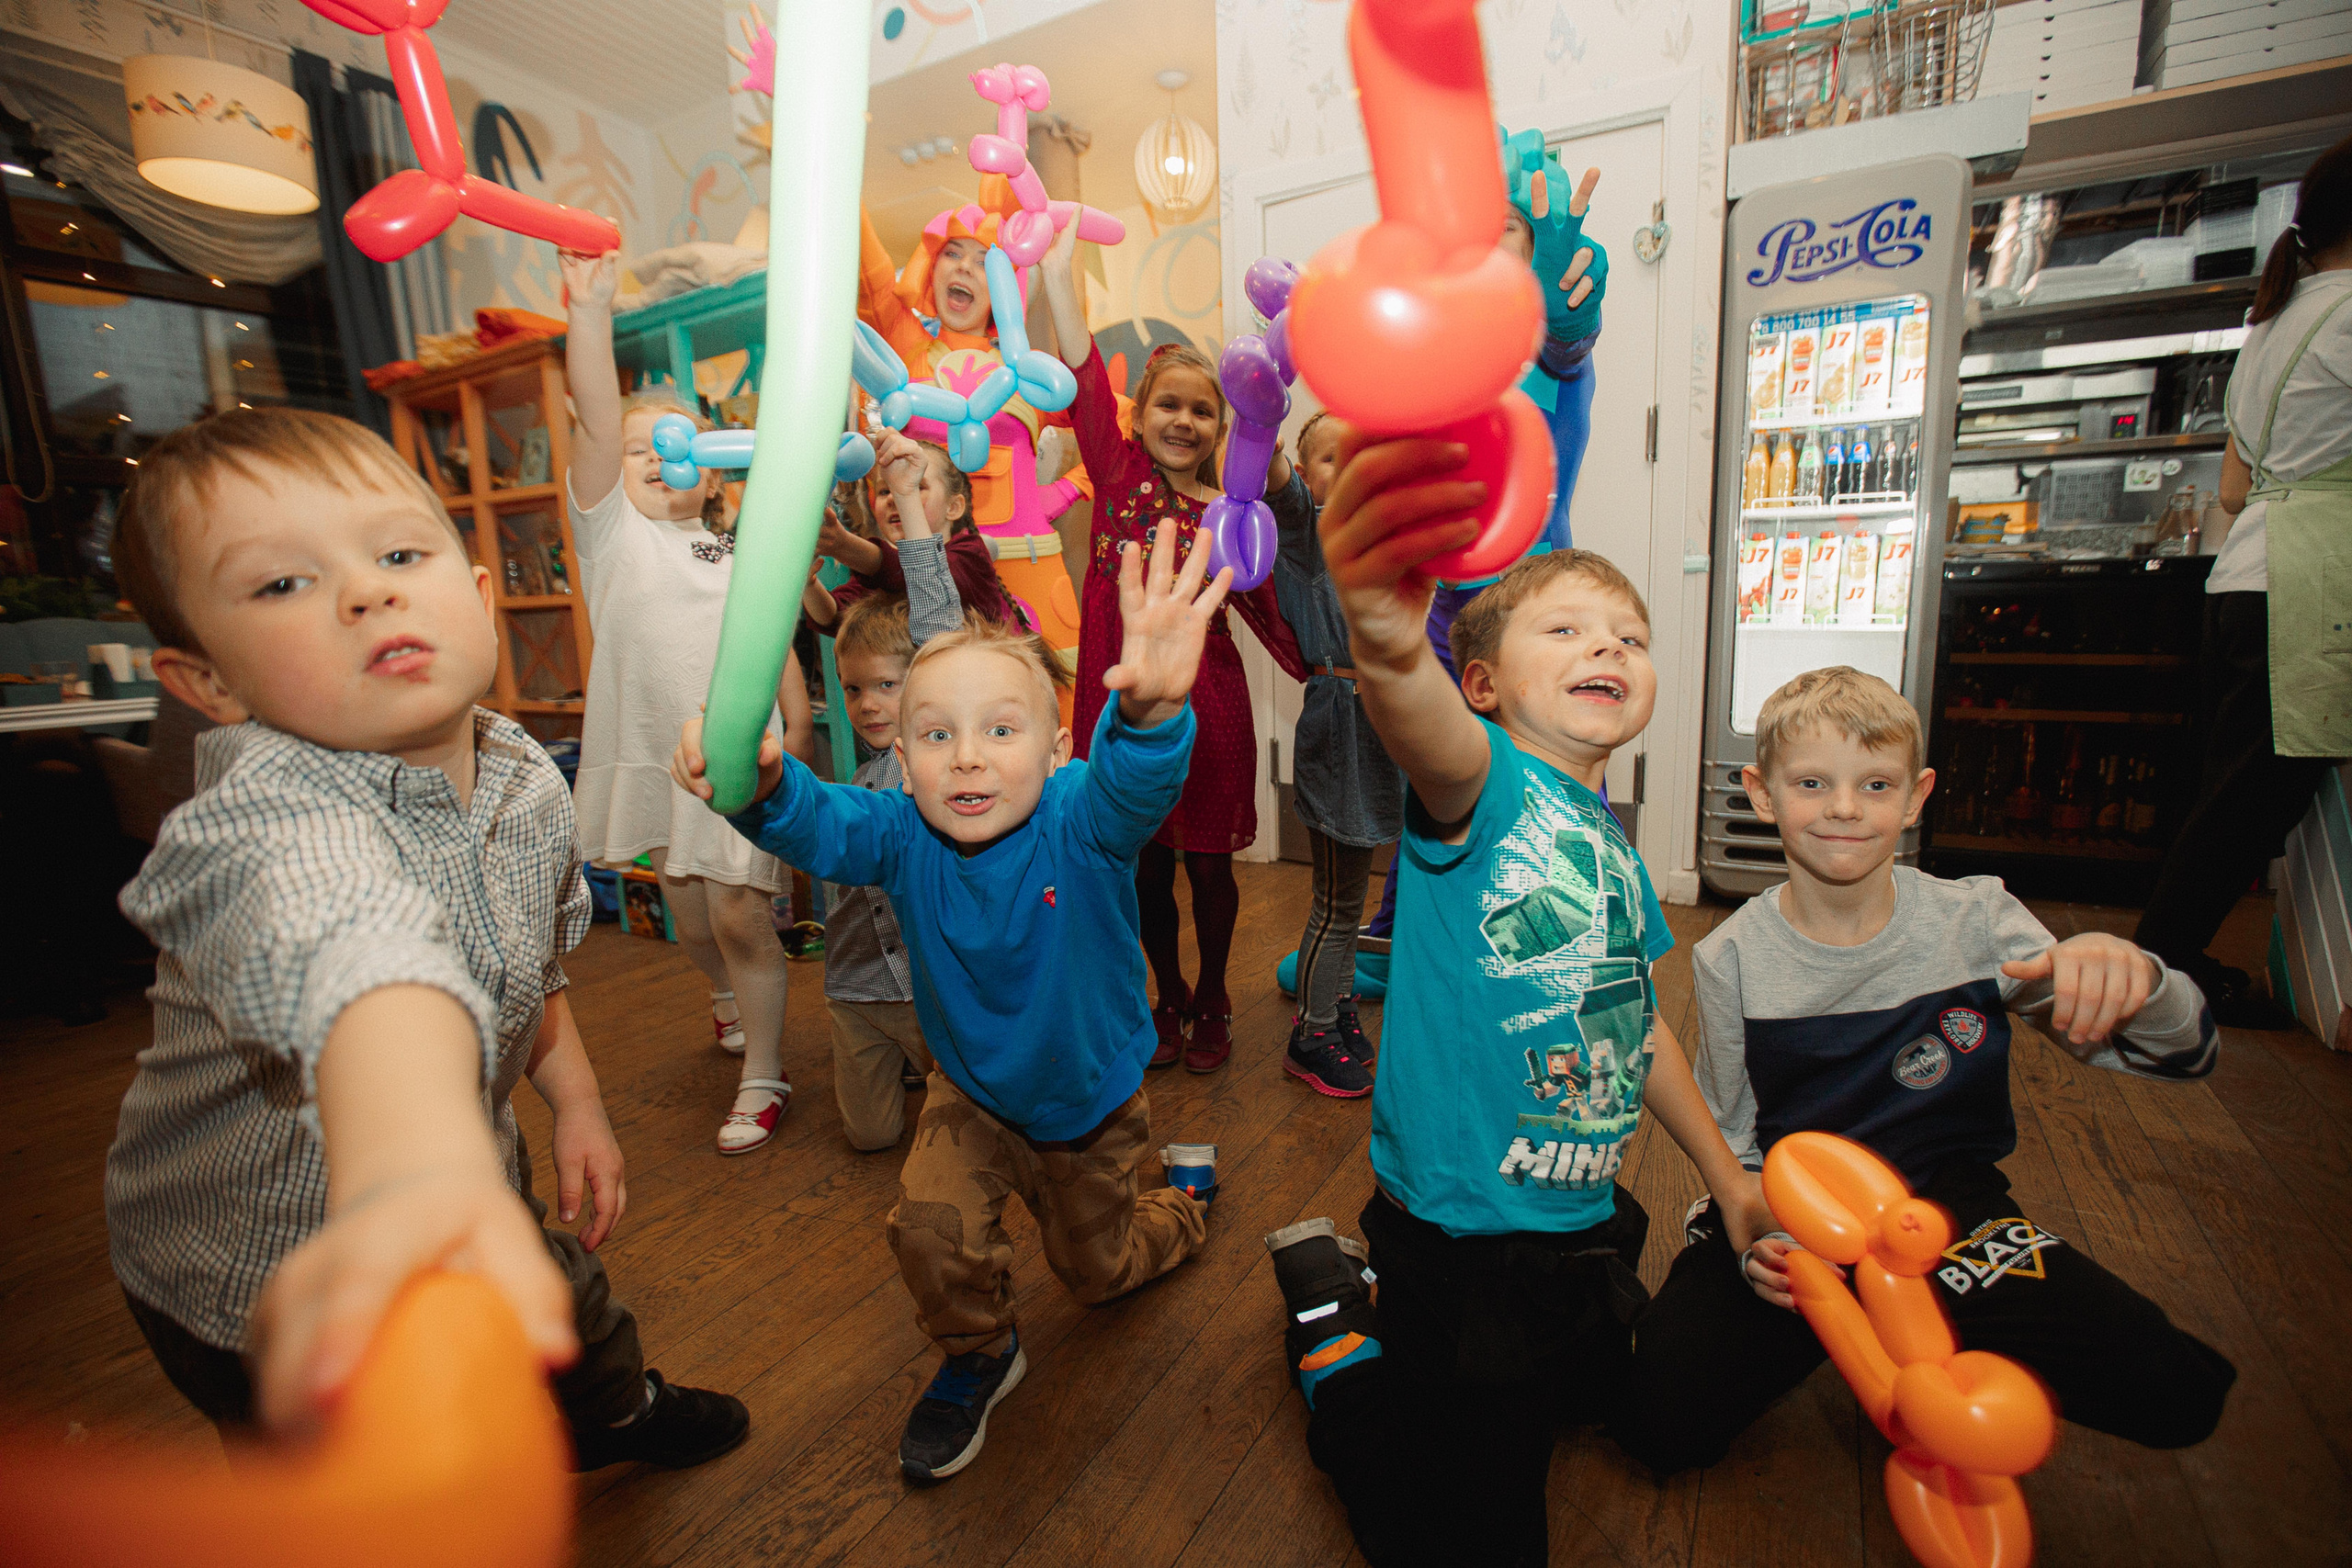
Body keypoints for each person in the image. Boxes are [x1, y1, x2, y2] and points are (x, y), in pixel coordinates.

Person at [102, 407, 749, 1468]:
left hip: (475, 1179)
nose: (366, 590)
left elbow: (528, 965)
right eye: (281, 584)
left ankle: (615, 1414)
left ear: (479, 594)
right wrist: (414, 1167)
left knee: (577, 1312)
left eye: (399, 552)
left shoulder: (530, 778)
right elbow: (352, 951)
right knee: (339, 1479)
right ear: (208, 683)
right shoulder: (262, 819)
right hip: (264, 1269)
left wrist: (574, 1100)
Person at [1261, 436, 1772, 1567]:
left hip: (1578, 1226)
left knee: (1603, 1403)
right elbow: (1419, 719)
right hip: (1462, 1245)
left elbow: (1636, 1033)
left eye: (1629, 637)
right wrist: (1391, 638)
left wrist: (1728, 1182)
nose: (1608, 645)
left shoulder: (1615, 854)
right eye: (1568, 628)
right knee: (1439, 1531)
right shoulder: (1481, 789)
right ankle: (1337, 1342)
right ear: (1483, 684)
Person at [672, 525, 1227, 1485]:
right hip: (967, 1094)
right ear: (901, 750)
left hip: (1086, 1111)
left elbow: (1139, 784)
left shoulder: (1081, 815)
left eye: (1000, 732)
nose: (967, 760)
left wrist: (1153, 713)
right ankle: (978, 1354)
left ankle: (1179, 1210)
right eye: (936, 736)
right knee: (930, 1227)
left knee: (1097, 1277)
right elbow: (817, 821)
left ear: (1057, 746)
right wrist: (761, 785)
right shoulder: (898, 829)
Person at [1615, 666, 2234, 1473]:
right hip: (1801, 1219)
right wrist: (1750, 1238)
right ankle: (1877, 1330)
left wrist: (2142, 980)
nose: (1844, 807)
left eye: (1875, 784)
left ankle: (1913, 1321)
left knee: (2177, 1390)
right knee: (1659, 1420)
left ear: (1915, 796)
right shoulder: (1730, 955)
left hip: (1949, 1211)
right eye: (1812, 782)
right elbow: (1734, 1134)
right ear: (1762, 794)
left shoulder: (1977, 919)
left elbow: (2188, 1054)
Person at [1036, 219, 1310, 1073]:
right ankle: (1166, 994)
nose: (1185, 421)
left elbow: (1267, 609)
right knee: (1145, 872)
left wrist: (1332, 672)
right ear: (1141, 414)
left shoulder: (1233, 512)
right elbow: (1081, 375)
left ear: (1224, 427)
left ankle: (1216, 996)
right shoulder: (1116, 475)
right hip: (1120, 708)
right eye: (1170, 405)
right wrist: (1056, 269)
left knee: (1210, 870)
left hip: (1212, 708)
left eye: (1204, 410)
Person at [562, 248, 815, 1155]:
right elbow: (594, 421)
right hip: (648, 753)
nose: (654, 459)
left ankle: (765, 1074)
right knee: (687, 907)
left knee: (742, 909)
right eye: (638, 449)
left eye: (676, 447)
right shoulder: (609, 537)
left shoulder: (736, 548)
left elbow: (774, 642)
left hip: (735, 749)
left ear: (710, 471)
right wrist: (589, 311)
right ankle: (720, 995)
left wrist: (795, 730)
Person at [1360, 139, 1610, 946]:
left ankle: (1596, 931)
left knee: (1552, 776)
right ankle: (1406, 936)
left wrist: (1567, 313)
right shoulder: (1442, 359)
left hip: (1533, 608)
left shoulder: (1547, 355)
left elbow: (1569, 341)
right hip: (1447, 608)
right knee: (1434, 775)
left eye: (1507, 225)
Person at [2135, 134, 2352, 1027]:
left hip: (2247, 568)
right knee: (2253, 795)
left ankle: (2165, 955)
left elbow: (2230, 487)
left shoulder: (2274, 322)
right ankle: (2162, 962)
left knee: (2234, 790)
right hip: (2305, 579)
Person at [819, 430, 1048, 1151]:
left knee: (967, 1119)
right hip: (856, 985)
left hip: (930, 985)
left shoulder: (924, 760)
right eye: (858, 691)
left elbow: (931, 598)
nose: (871, 704)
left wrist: (910, 497)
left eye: (890, 685)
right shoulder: (863, 776)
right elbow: (834, 619)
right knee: (870, 1136)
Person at [859, 195, 1087, 704]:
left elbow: (1108, 420)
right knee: (948, 710)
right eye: (952, 253)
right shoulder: (904, 343)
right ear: (929, 266)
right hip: (935, 573)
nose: (965, 267)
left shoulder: (1027, 368)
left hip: (1033, 570)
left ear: (1008, 284)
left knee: (1059, 704)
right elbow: (868, 269)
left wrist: (1062, 493)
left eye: (986, 261)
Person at [1264, 412, 1396, 1097]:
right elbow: (1280, 491)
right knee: (1336, 902)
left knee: (1353, 895)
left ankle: (1336, 1003)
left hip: (1376, 729)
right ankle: (1310, 1033)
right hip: (1340, 730)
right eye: (1329, 460)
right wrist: (1269, 447)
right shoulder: (1310, 535)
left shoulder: (1379, 543)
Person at [800, 437, 1029, 635]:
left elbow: (924, 573)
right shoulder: (881, 577)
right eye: (884, 491)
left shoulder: (970, 554)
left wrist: (844, 546)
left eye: (915, 486)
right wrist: (808, 583)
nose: (894, 498)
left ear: (954, 507)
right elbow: (835, 617)